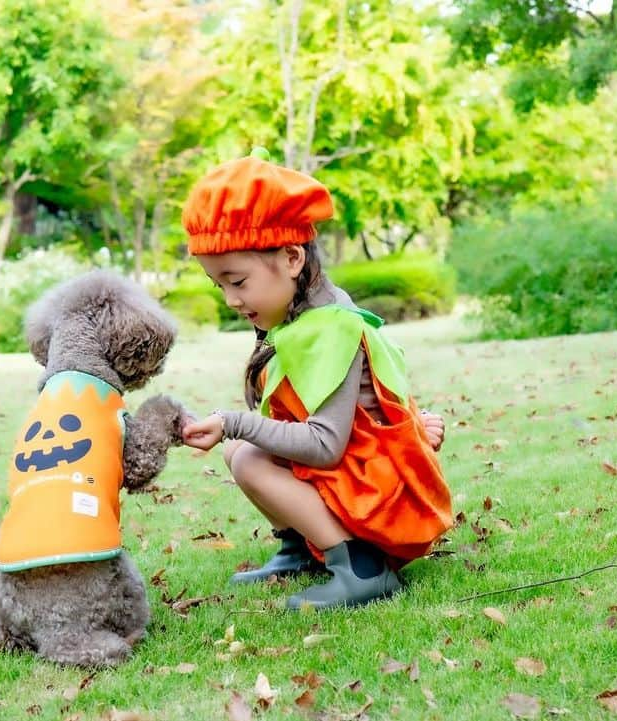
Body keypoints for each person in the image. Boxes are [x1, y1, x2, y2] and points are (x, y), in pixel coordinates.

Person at [180, 150, 453, 610]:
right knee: (241, 451)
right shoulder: (306, 315)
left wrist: (232, 421)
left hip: (378, 498)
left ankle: (361, 567)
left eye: (238, 281)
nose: (229, 299)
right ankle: (302, 551)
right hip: (361, 474)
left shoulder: (328, 326)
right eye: (219, 285)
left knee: (247, 457)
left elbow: (325, 446)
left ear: (291, 258)